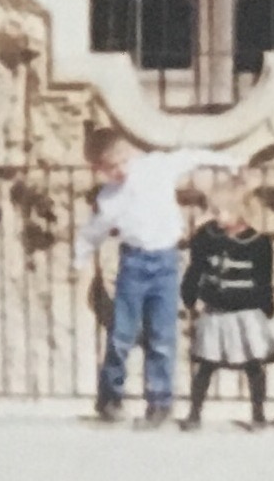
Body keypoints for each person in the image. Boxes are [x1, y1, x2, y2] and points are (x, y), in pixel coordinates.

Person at [78, 125, 240, 426]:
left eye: (120, 163)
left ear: (128, 154)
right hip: (134, 262)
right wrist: (80, 256)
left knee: (162, 336)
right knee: (121, 336)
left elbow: (190, 156)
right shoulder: (110, 196)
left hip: (165, 260)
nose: (118, 172)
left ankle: (160, 402)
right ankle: (110, 396)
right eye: (108, 169)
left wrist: (227, 161)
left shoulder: (156, 168)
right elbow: (94, 230)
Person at [180, 178, 274, 430]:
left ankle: (258, 414)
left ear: (239, 211)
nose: (216, 217)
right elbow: (195, 269)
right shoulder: (205, 236)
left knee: (253, 365)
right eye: (214, 211)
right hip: (215, 310)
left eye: (221, 211)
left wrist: (266, 307)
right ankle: (194, 413)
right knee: (206, 364)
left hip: (245, 312)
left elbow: (263, 279)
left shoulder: (258, 243)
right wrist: (189, 296)